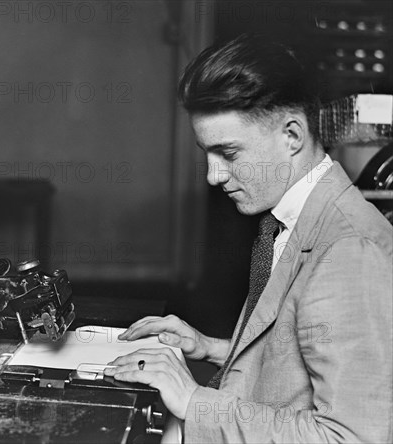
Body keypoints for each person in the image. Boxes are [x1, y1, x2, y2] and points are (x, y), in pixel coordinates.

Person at [104, 34, 393, 443]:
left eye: (230, 153)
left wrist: (193, 401)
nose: (213, 175)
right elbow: (298, 368)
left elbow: (354, 438)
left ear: (292, 135)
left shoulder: (350, 251)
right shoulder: (288, 217)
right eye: (207, 153)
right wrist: (212, 348)